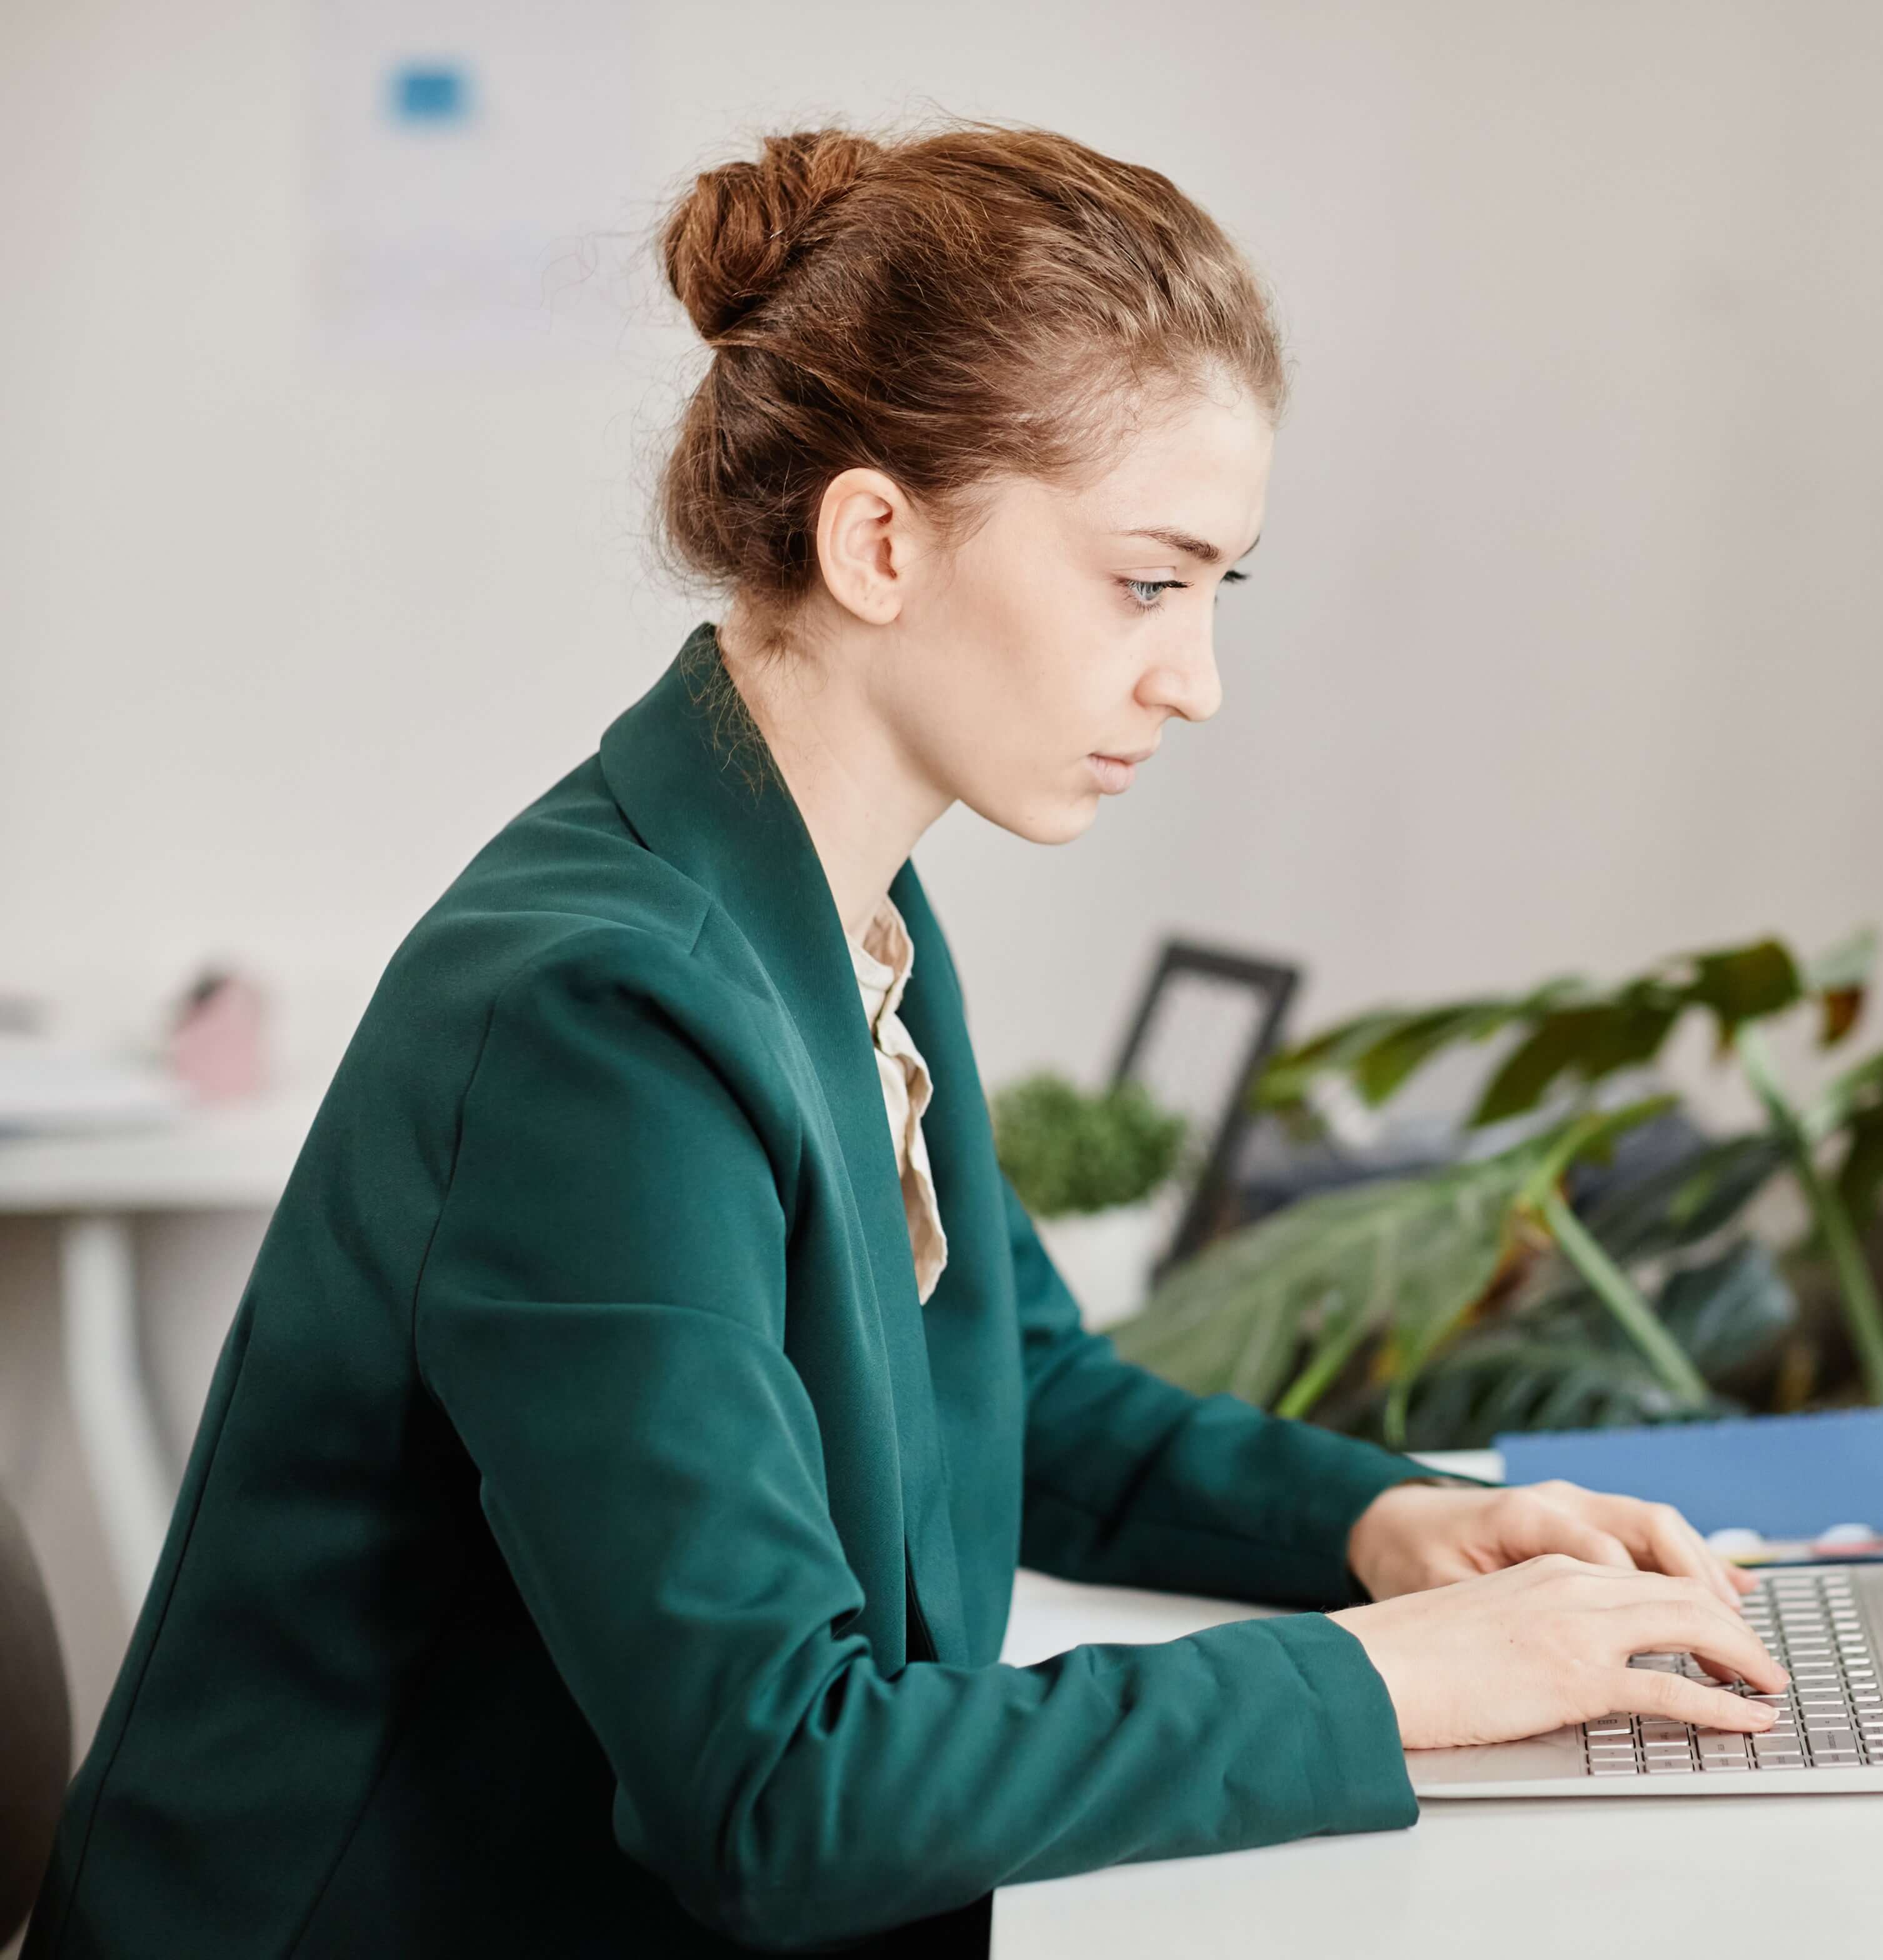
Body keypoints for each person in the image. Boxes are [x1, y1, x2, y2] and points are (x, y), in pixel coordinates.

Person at [27, 123, 1787, 1958]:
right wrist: (1384, 1688)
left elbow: (1032, 1395)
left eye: (1215, 590)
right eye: (1146, 579)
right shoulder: (599, 1018)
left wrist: (1392, 1533)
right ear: (878, 540)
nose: (1194, 677)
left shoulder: (840, 902)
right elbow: (782, 1791)